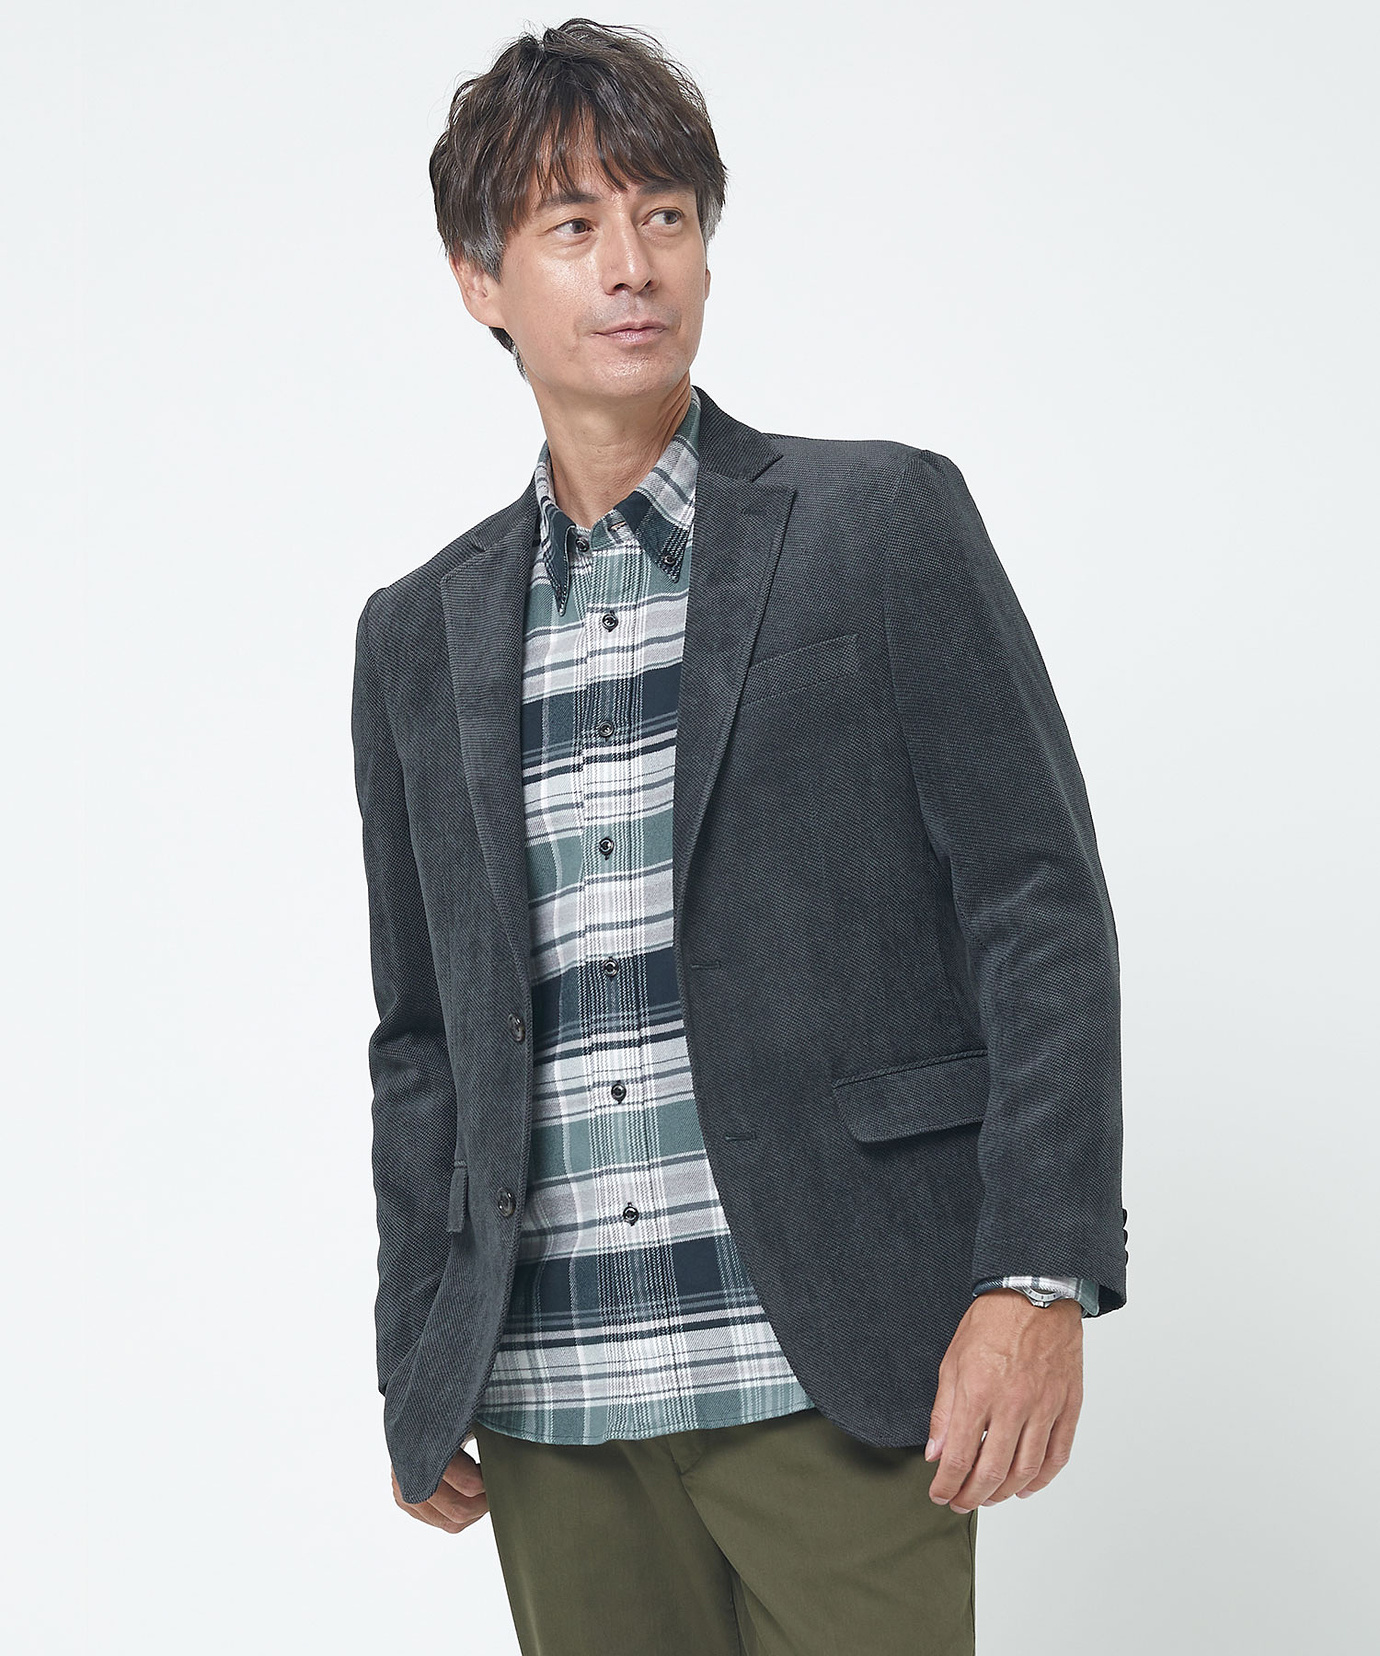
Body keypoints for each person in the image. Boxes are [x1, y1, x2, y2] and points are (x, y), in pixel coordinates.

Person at [350, 18, 1127, 1655]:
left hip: (829, 1365)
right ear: (480, 281)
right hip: (554, 1390)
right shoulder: (419, 634)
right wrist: (421, 1342)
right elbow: (421, 1032)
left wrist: (1037, 1277)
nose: (633, 265)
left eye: (666, 216)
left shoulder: (875, 525)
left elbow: (1037, 905)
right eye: (574, 225)